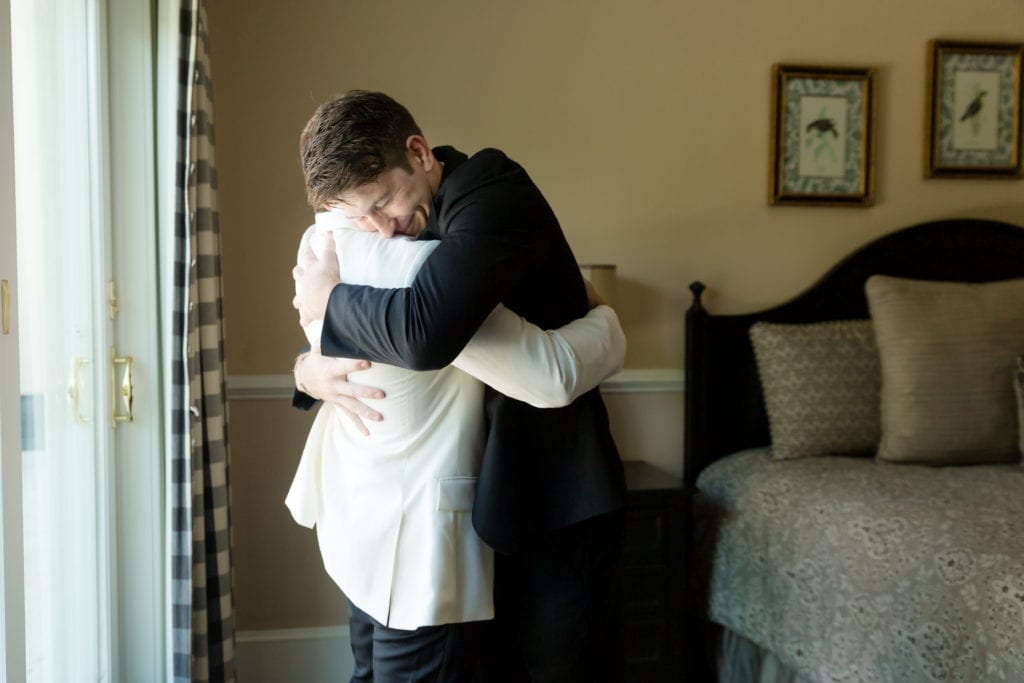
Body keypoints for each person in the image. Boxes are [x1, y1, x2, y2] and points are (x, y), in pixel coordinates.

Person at [292, 90, 627, 682]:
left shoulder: (491, 191)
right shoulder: (371, 238)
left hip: (554, 486)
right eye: (359, 215)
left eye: (383, 202)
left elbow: (426, 334)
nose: (379, 228)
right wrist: (308, 369)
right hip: (484, 498)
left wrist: (331, 301)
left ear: (419, 153)